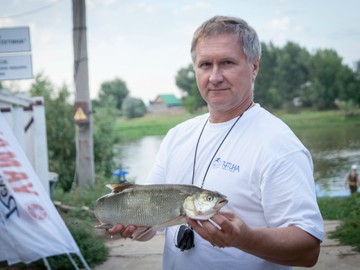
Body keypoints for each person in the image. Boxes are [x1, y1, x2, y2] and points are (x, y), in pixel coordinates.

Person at [109, 15, 324, 269]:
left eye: (227, 63)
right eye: (205, 65)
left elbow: (308, 251)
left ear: (254, 67)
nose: (215, 76)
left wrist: (245, 238)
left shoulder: (278, 144)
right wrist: (137, 227)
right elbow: (151, 223)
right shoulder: (177, 136)